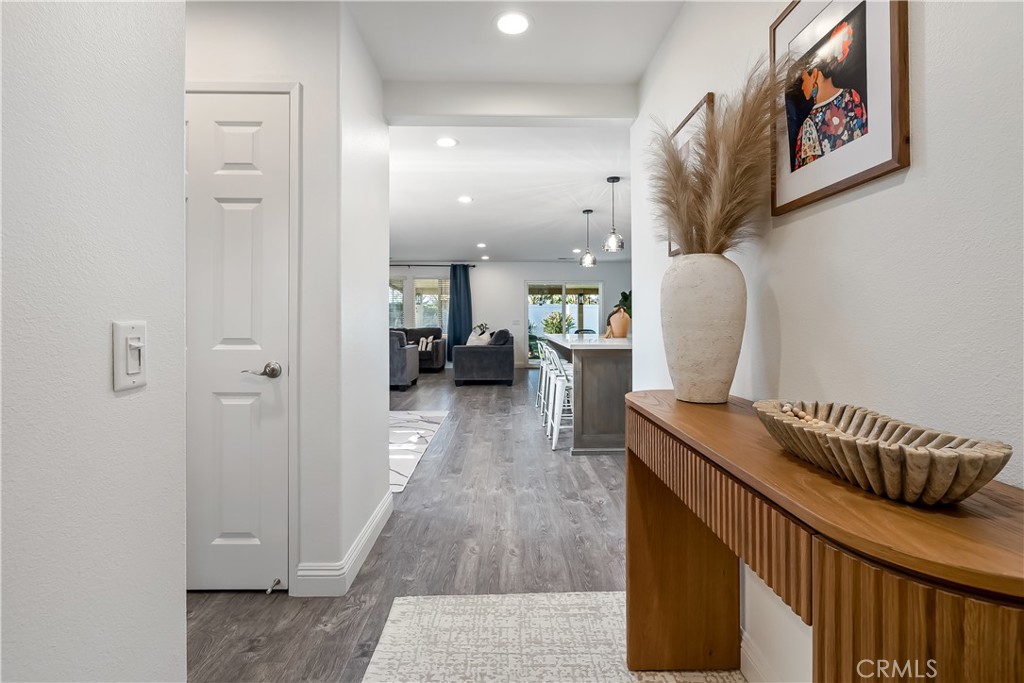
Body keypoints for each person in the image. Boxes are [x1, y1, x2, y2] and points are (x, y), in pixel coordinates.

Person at [792, 20, 867, 170]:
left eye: (803, 80)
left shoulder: (809, 124)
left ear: (814, 75)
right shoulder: (852, 96)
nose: (801, 86)